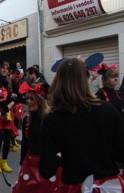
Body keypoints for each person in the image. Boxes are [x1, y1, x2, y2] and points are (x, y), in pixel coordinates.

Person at [39, 58, 124, 192]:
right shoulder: (107, 109)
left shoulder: (52, 119)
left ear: (58, 81)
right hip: (109, 187)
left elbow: (46, 169)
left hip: (74, 187)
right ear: (86, 79)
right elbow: (121, 153)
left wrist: (65, 156)